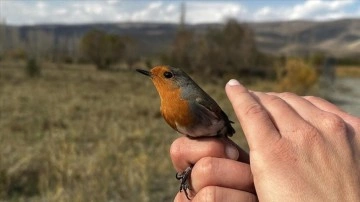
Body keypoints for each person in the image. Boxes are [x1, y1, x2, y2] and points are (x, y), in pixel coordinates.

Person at [171, 79, 360, 201]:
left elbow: (219, 116)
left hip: (218, 130)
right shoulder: (168, 109)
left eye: (168, 75)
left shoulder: (195, 100)